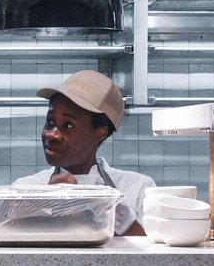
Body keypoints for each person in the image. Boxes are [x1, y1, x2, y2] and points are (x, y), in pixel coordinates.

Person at [11, 71, 155, 235]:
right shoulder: (26, 189)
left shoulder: (137, 188)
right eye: (50, 122)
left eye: (68, 126)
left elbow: (158, 257)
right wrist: (39, 209)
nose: (52, 134)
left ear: (100, 133)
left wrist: (112, 212)